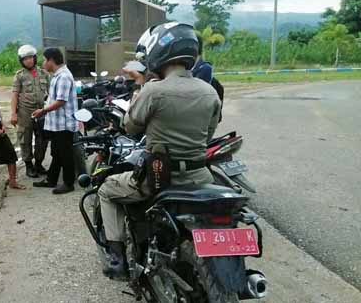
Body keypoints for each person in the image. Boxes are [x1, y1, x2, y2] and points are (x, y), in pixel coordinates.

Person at [98, 22, 221, 279]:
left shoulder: (154, 90)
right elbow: (207, 136)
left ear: (158, 53)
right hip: (200, 177)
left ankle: (117, 259)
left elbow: (131, 127)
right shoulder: (210, 92)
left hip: (159, 177)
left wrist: (140, 88)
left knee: (107, 190)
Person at [31, 47, 79, 194]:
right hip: (57, 124)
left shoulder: (63, 76)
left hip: (64, 123)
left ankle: (68, 183)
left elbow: (61, 101)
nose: (43, 63)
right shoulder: (57, 75)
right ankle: (51, 179)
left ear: (52, 60)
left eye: (45, 60)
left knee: (65, 154)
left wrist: (43, 111)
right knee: (57, 153)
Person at [10, 44, 50, 178]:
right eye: (25, 58)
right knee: (25, 138)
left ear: (34, 58)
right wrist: (13, 113)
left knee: (42, 138)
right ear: (21, 60)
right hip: (25, 112)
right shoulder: (19, 76)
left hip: (42, 111)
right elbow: (15, 95)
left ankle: (39, 163)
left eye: (30, 58)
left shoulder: (44, 73)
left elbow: (50, 94)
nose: (28, 61)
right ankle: (29, 165)